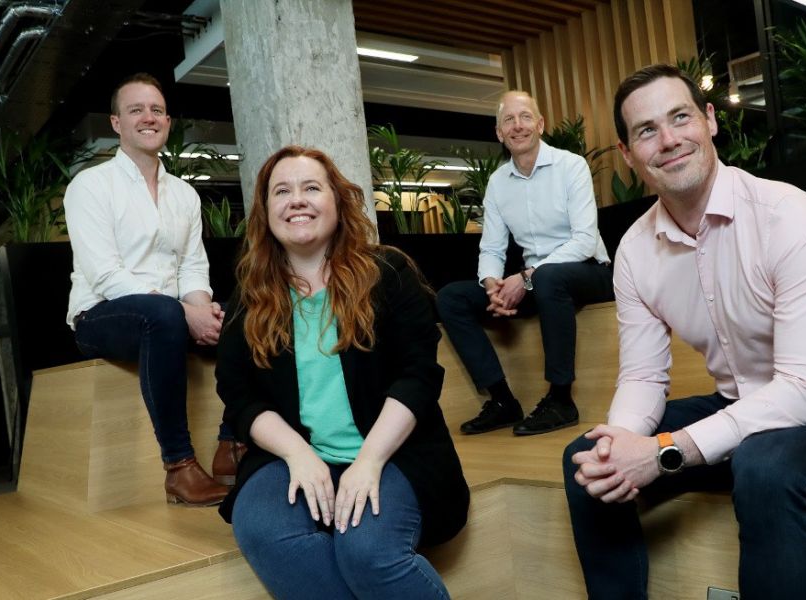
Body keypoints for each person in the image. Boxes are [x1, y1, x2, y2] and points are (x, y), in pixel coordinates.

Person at [563, 64, 806, 599]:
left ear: (708, 121)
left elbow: (804, 392)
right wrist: (624, 444)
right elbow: (641, 374)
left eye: (679, 117)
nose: (668, 140)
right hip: (746, 405)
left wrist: (663, 452)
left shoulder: (789, 216)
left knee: (765, 466)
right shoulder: (635, 249)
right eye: (646, 130)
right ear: (628, 153)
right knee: (587, 461)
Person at [216, 145, 469, 599]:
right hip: (298, 454)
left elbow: (418, 376)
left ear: (337, 201)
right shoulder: (249, 296)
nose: (297, 199)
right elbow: (238, 395)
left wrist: (368, 462)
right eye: (281, 191)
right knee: (262, 529)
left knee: (366, 550)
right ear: (265, 211)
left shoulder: (387, 273)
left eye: (311, 187)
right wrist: (297, 454)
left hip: (392, 452)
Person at [65, 73, 239, 506]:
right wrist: (183, 312)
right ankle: (179, 468)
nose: (149, 117)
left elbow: (194, 264)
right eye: (136, 110)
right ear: (116, 123)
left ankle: (233, 444)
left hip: (172, 315)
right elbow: (106, 274)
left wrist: (200, 308)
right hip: (103, 315)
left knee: (251, 308)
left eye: (157, 110)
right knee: (159, 316)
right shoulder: (90, 185)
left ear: (167, 121)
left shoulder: (184, 194)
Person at [436, 91, 615, 436]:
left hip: (589, 271)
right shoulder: (498, 183)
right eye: (509, 120)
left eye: (525, 117)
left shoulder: (570, 166)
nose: (518, 126)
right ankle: (503, 400)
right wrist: (492, 285)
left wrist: (527, 276)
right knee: (451, 297)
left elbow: (583, 240)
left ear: (540, 124)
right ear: (499, 133)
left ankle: (562, 399)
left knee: (547, 277)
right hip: (539, 282)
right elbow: (491, 247)